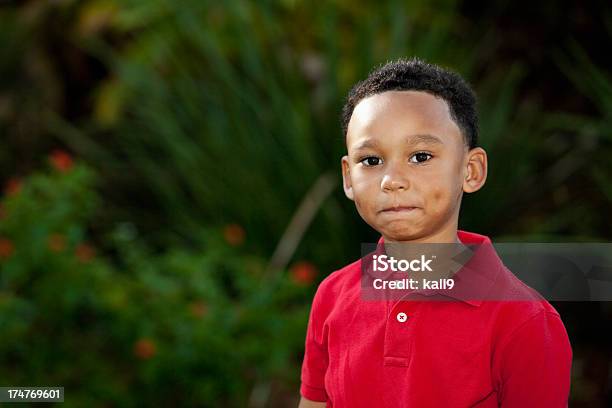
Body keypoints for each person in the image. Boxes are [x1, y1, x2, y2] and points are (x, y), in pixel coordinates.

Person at [297, 58, 572, 407]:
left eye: (421, 156)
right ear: (348, 178)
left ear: (470, 170)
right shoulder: (332, 297)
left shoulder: (524, 323)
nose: (392, 180)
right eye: (371, 160)